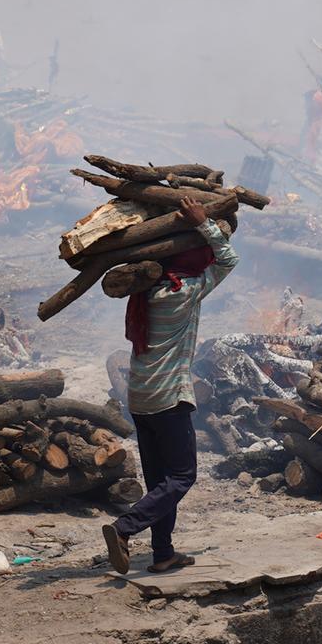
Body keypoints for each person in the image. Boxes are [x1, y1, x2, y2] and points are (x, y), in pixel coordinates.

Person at [102, 195, 237, 576]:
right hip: (168, 398)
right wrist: (203, 223)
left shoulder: (143, 292)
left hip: (140, 399)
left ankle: (163, 553)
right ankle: (124, 528)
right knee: (182, 477)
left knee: (160, 481)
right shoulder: (184, 291)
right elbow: (228, 259)